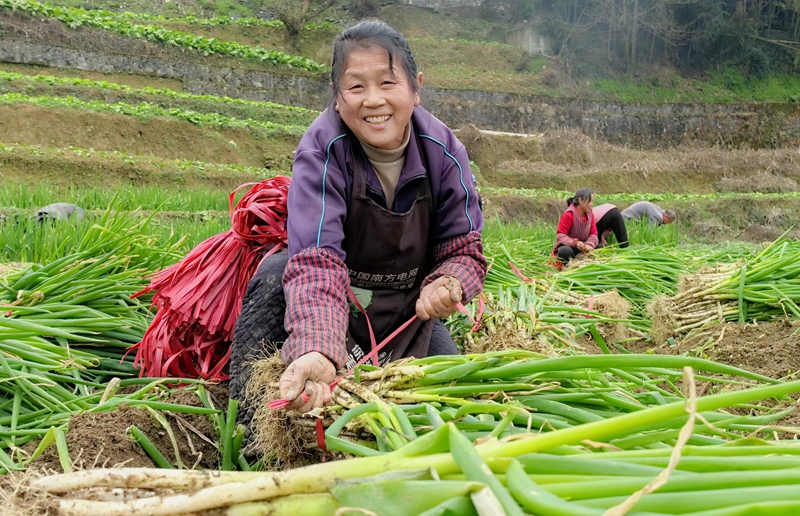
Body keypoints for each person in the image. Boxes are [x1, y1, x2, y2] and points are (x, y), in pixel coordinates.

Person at [229, 21, 486, 416]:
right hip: (333, 308)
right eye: (355, 87)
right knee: (275, 271)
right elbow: (316, 260)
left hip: (407, 315)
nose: (373, 101)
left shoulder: (445, 152)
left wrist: (449, 281)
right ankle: (249, 423)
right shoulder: (322, 150)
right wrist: (318, 346)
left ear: (415, 88)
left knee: (456, 405)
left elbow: (465, 249)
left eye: (387, 83)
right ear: (336, 98)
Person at [552, 188, 598, 266]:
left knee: (603, 246)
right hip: (571, 247)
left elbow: (593, 234)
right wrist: (575, 243)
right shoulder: (569, 214)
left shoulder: (590, 214)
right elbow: (561, 236)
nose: (591, 204)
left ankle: (585, 261)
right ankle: (570, 266)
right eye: (589, 201)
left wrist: (589, 245)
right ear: (580, 200)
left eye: (592, 201)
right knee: (564, 251)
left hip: (585, 247)